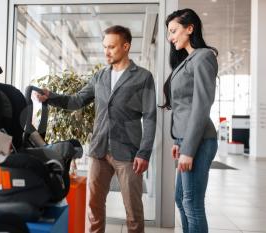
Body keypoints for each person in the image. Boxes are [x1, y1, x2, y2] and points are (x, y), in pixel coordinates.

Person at [35, 25, 156, 233]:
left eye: (111, 47)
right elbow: (77, 100)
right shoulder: (100, 76)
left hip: (128, 152)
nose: (106, 52)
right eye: (104, 47)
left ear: (126, 46)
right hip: (99, 150)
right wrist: (51, 96)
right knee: (94, 208)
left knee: (133, 212)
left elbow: (150, 117)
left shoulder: (143, 77)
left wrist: (144, 153)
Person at [161, 8, 218, 233]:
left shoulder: (203, 56)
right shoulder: (186, 61)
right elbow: (182, 106)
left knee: (192, 204)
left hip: (200, 140)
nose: (170, 37)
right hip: (187, 139)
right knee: (181, 199)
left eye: (174, 31)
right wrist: (178, 141)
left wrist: (189, 149)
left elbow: (201, 105)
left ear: (190, 28)